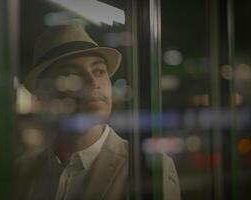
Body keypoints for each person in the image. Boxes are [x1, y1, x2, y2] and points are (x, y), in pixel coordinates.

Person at [17, 23, 181, 200]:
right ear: (44, 93)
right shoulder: (21, 172)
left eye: (99, 71)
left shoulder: (148, 169)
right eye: (71, 73)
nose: (93, 82)